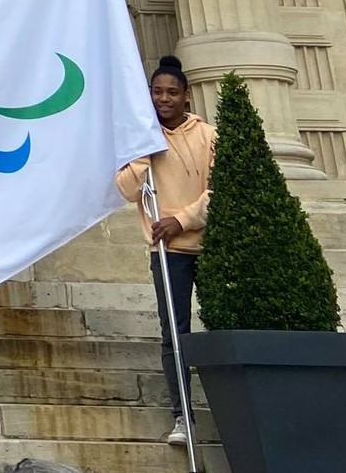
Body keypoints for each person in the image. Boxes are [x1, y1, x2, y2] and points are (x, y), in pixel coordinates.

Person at [115, 54, 215, 449]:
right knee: (174, 333)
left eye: (172, 92)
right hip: (168, 253)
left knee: (219, 330)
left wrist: (182, 219)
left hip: (209, 247)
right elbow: (124, 189)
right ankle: (182, 415)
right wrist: (144, 149)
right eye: (157, 92)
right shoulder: (141, 139)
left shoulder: (209, 135)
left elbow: (220, 189)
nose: (164, 99)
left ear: (186, 97)